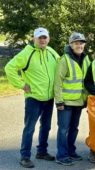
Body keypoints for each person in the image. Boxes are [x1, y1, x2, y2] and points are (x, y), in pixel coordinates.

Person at [4, 27, 60, 168]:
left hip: (48, 98)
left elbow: (62, 67)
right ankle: (25, 156)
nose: (42, 40)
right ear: (34, 39)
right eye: (39, 37)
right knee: (29, 128)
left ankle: (41, 151)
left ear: (48, 39)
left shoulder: (52, 52)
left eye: (44, 37)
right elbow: (9, 68)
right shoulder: (26, 53)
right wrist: (21, 84)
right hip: (33, 98)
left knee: (46, 127)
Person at [54, 32, 91, 166]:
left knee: (74, 128)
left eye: (81, 43)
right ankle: (61, 155)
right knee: (63, 129)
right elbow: (58, 81)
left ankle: (70, 151)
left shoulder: (86, 59)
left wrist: (87, 98)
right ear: (71, 44)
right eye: (76, 43)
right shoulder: (65, 60)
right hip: (66, 102)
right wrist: (59, 101)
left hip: (79, 101)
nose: (79, 45)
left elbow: (87, 80)